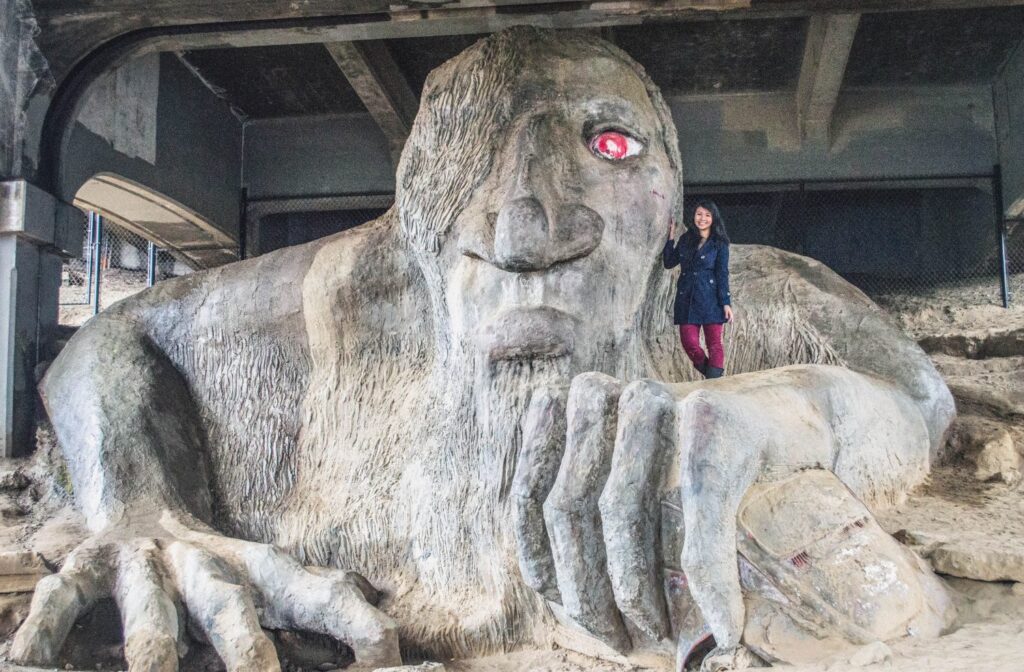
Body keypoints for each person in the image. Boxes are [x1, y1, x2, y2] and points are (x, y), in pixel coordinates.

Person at [663, 199, 733, 378]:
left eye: (707, 215)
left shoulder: (720, 243)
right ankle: (714, 378)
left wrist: (726, 303)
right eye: (699, 214)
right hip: (686, 297)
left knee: (714, 344)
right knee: (689, 342)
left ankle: (714, 383)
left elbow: (722, 273)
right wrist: (670, 239)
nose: (702, 219)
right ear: (694, 216)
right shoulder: (686, 239)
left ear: (713, 219)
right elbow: (669, 262)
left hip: (711, 298)